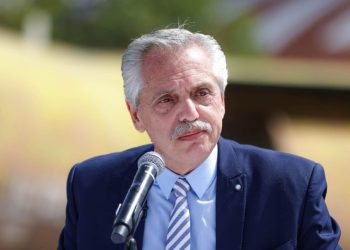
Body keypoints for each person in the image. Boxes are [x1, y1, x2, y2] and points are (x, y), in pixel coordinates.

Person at [58, 28, 341, 250]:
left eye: (202, 94)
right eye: (167, 100)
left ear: (222, 101)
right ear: (135, 116)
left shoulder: (291, 184)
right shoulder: (90, 186)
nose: (190, 113)